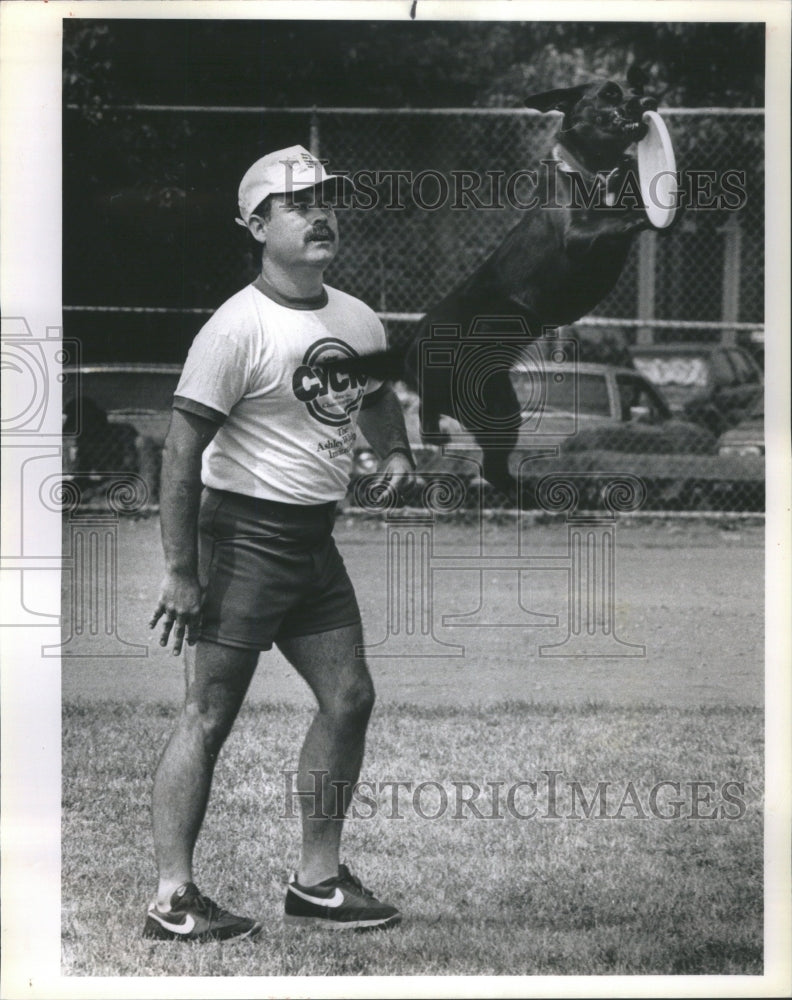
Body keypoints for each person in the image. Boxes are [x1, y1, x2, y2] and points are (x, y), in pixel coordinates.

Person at [145, 145, 414, 941]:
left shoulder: (355, 315)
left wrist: (395, 450)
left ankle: (318, 882)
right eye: (298, 202)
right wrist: (181, 571)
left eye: (326, 197)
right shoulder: (235, 328)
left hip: (311, 544)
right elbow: (180, 452)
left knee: (351, 697)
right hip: (241, 540)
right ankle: (171, 899)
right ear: (258, 225)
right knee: (208, 715)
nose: (320, 211)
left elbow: (376, 395)